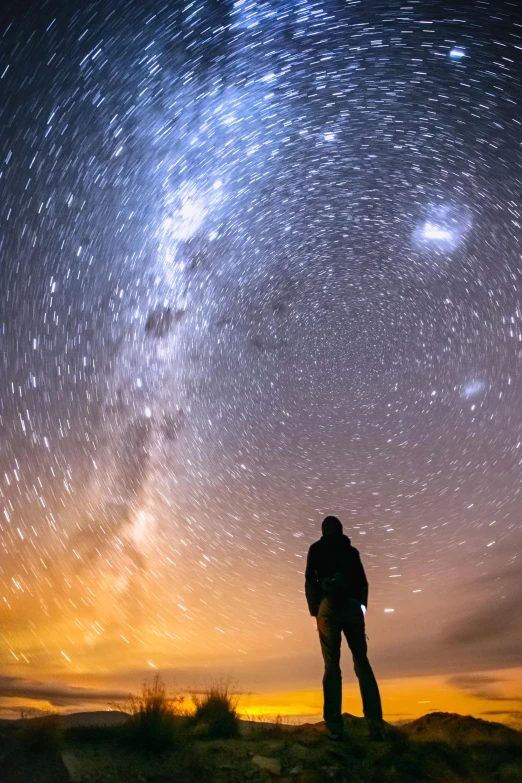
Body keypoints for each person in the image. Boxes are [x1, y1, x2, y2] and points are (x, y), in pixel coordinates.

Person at [305, 515, 383, 739]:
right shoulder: (352, 552)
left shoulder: (316, 549)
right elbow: (363, 583)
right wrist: (362, 608)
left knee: (332, 665)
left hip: (328, 609)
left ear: (323, 531)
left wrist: (315, 611)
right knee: (362, 662)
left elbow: (310, 580)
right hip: (352, 608)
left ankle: (334, 725)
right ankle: (375, 722)